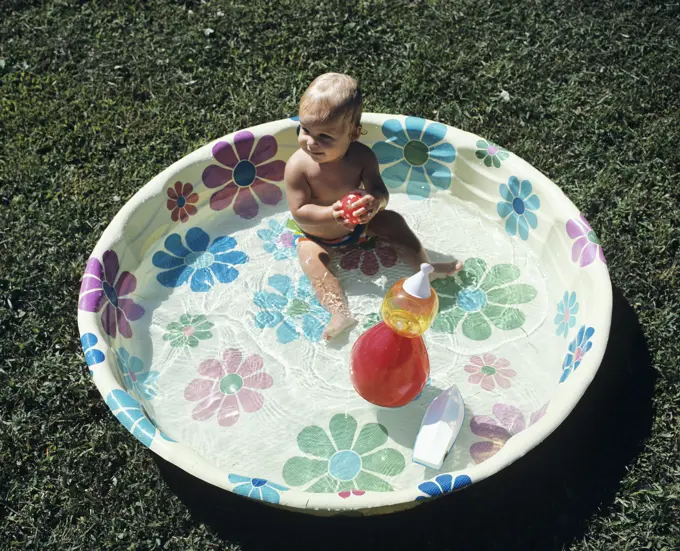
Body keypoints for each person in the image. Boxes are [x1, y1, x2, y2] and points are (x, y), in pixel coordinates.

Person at [285, 73, 462, 340]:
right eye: (305, 130)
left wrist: (374, 203)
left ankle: (425, 267)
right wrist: (331, 213)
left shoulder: (362, 157)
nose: (311, 142)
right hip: (316, 234)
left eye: (325, 136)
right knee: (313, 261)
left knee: (393, 221)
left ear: (353, 134)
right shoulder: (298, 166)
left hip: (359, 226)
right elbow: (299, 212)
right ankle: (339, 311)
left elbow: (380, 191)